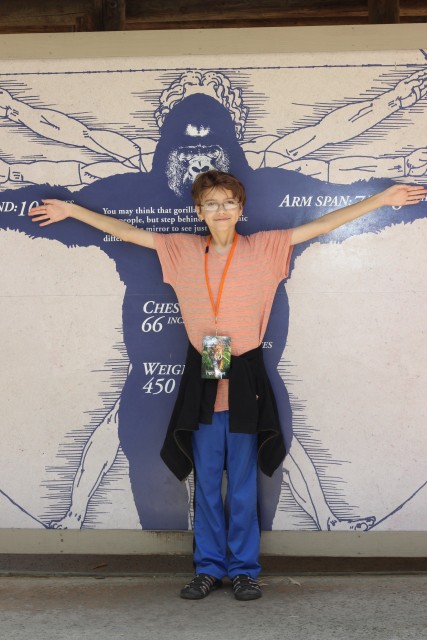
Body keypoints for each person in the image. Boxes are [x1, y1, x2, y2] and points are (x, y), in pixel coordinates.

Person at [29, 170, 425, 600]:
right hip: (205, 371)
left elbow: (323, 224)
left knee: (241, 482)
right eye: (211, 203)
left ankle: (243, 570)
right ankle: (208, 567)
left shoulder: (268, 247)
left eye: (229, 202)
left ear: (241, 208)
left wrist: (381, 199)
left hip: (245, 374)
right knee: (205, 481)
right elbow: (125, 231)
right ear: (199, 210)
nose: (221, 210)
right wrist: (70, 210)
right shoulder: (179, 249)